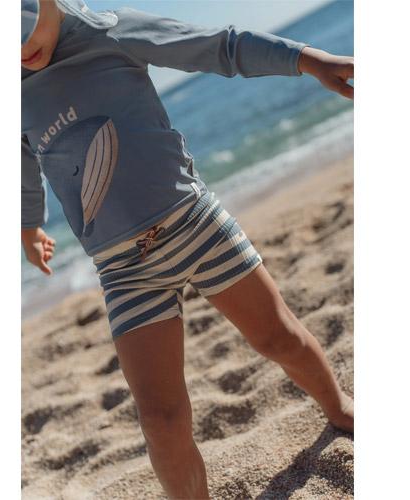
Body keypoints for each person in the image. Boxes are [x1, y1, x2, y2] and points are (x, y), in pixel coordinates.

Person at [21, 1, 354, 498]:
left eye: (20, 31)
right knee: (160, 418)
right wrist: (29, 228)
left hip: (198, 226)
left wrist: (307, 59)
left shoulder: (109, 32)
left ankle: (339, 408)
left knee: (279, 337)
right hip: (125, 272)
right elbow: (22, 167)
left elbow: (218, 46)